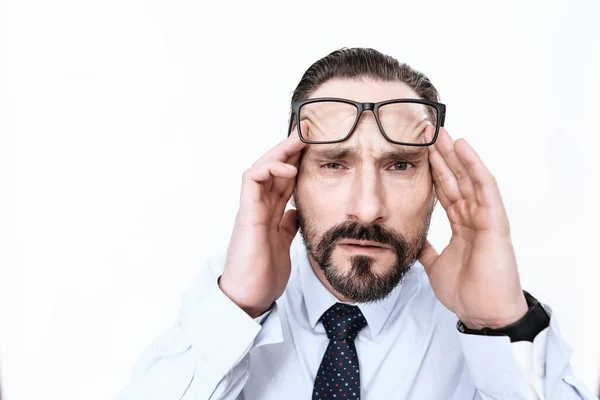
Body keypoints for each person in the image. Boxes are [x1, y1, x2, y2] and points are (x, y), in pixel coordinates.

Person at [115, 48, 598, 400]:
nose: (367, 209)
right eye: (333, 164)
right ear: (291, 180)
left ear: (436, 181)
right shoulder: (227, 305)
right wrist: (239, 304)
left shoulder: (482, 319)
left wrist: (501, 325)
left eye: (401, 165)